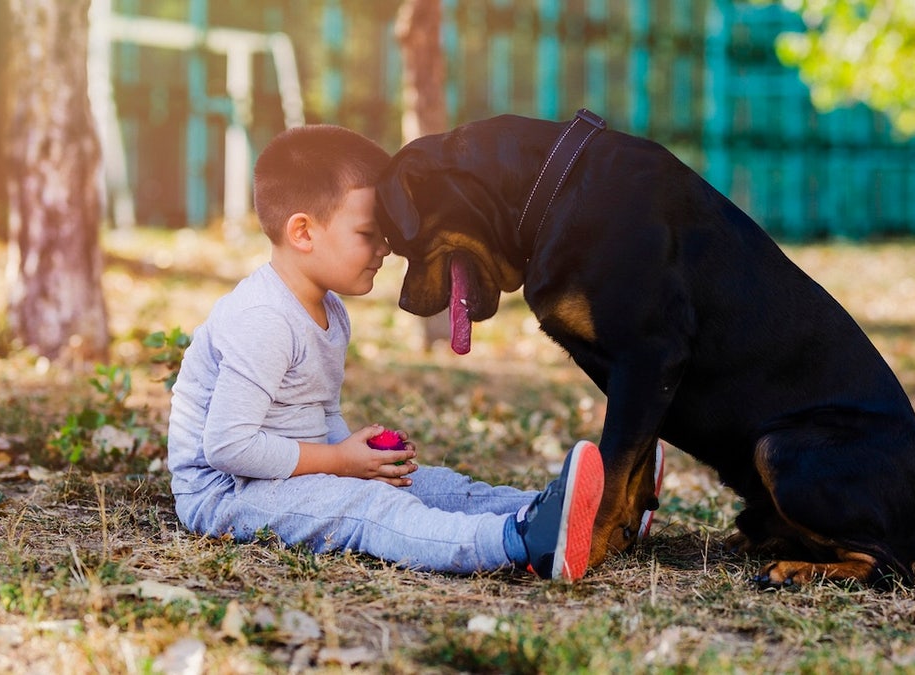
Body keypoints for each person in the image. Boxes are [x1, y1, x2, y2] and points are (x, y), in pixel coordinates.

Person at [166, 124, 607, 581]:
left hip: (283, 474)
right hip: (227, 493)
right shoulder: (263, 318)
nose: (385, 249)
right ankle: (521, 541)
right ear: (303, 231)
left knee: (429, 484)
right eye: (368, 233)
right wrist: (340, 463)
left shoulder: (329, 310)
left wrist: (360, 457)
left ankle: (580, 511)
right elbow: (228, 447)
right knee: (370, 506)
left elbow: (317, 414)